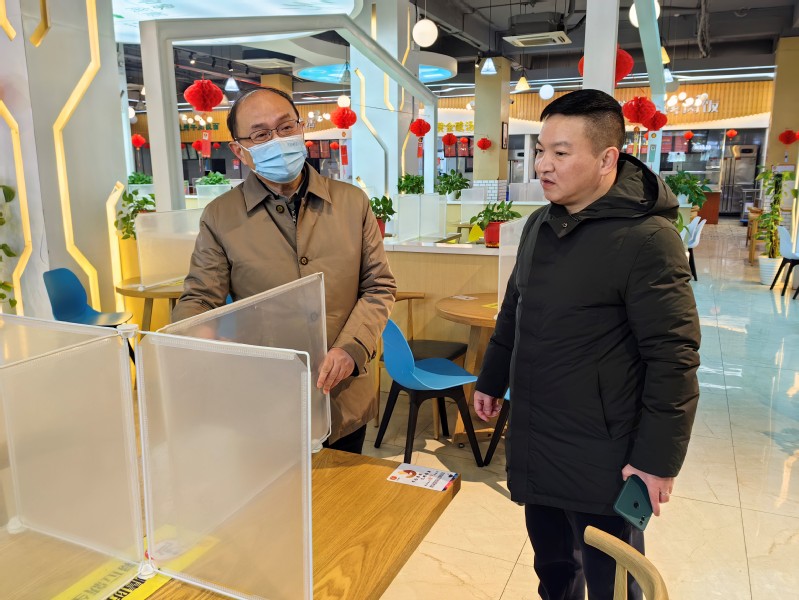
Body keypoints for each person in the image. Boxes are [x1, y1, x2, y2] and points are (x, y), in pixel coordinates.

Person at [473, 89, 700, 600]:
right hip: (538, 437)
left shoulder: (648, 238)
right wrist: (492, 378)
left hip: (607, 456)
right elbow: (514, 310)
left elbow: (674, 358)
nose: (543, 165)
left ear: (606, 159)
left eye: (561, 152)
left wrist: (656, 460)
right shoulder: (539, 224)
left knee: (613, 583)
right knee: (554, 572)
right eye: (540, 150)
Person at [173, 87, 396, 454]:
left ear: (301, 128)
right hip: (263, 397)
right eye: (261, 134)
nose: (277, 140)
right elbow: (200, 298)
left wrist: (352, 348)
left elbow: (378, 286)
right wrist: (195, 336)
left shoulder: (351, 202)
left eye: (286, 127)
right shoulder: (221, 216)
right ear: (239, 151)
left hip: (342, 394)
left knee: (344, 489)